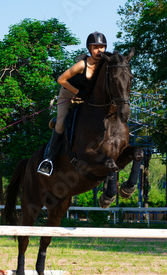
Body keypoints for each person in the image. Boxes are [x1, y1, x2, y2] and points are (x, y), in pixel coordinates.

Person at [37, 31, 107, 176]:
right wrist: (77, 92)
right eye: (95, 47)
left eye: (102, 47)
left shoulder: (105, 65)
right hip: (68, 95)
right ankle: (49, 160)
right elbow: (61, 79)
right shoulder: (82, 65)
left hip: (87, 98)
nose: (99, 50)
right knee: (62, 124)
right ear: (89, 49)